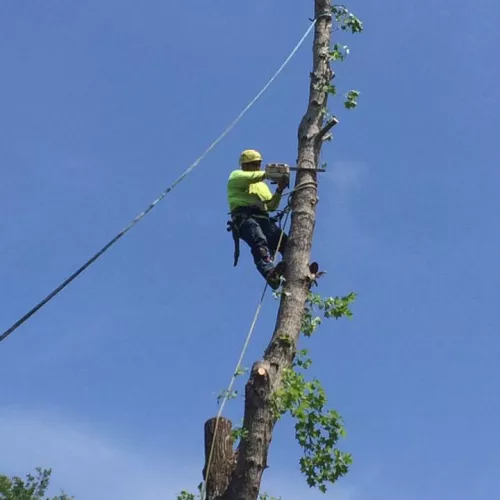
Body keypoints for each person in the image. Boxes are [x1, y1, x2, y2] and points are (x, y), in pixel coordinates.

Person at [227, 149, 289, 289]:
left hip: (264, 219)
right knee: (259, 240)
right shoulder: (236, 176)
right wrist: (269, 173)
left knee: (285, 243)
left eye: (258, 164)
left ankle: (293, 268)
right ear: (244, 165)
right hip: (245, 218)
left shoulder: (261, 185)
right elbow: (253, 177)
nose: (256, 167)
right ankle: (270, 273)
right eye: (253, 164)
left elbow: (271, 206)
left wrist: (279, 190)